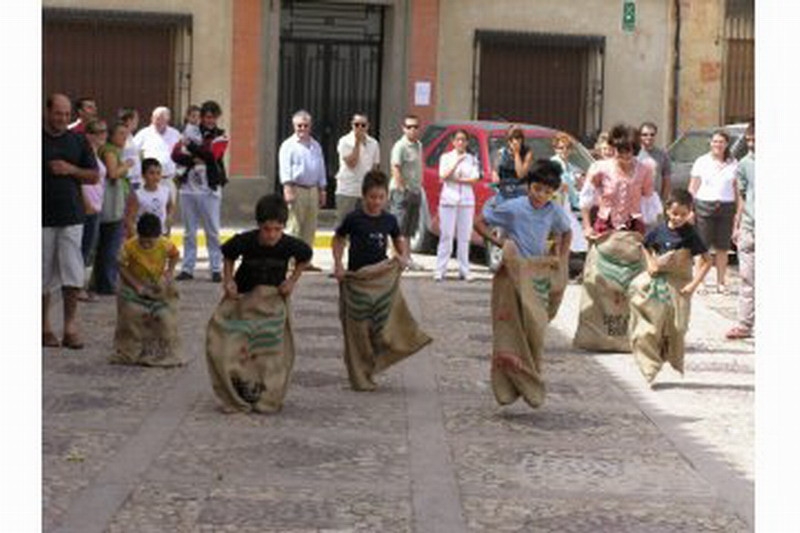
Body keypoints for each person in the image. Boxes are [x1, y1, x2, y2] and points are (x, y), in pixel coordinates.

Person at [473, 159, 571, 409]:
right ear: (529, 186)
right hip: (511, 275)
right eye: (538, 189)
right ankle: (507, 386)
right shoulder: (514, 208)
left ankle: (529, 380)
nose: (542, 196)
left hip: (536, 276)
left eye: (548, 192)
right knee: (509, 331)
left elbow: (566, 231)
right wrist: (500, 244)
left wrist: (561, 257)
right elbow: (479, 222)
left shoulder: (554, 210)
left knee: (534, 331)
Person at [206, 195, 312, 413]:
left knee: (268, 352)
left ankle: (266, 394)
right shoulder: (246, 241)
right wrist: (229, 281)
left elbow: (305, 257)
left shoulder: (289, 245)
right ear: (258, 225)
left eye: (277, 229)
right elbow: (228, 254)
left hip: (272, 306)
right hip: (244, 301)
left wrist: (292, 280)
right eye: (266, 229)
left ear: (283, 227)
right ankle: (236, 392)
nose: (271, 235)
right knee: (232, 349)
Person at [332, 170, 431, 391]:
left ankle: (374, 364)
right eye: (372, 197)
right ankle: (360, 375)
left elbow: (398, 239)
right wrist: (338, 264)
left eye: (380, 197)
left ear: (386, 197)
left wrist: (403, 257)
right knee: (358, 331)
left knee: (381, 327)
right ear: (364, 196)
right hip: (357, 280)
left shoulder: (389, 220)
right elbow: (338, 239)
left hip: (381, 279)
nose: (376, 202)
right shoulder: (353, 218)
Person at [630, 189, 713, 383]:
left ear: (690, 212)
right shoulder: (659, 230)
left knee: (679, 328)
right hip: (658, 283)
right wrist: (650, 263)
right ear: (668, 210)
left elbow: (707, 260)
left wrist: (693, 285)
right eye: (675, 214)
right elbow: (645, 245)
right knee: (651, 326)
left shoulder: (691, 234)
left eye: (684, 215)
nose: (678, 218)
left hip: (681, 285)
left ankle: (668, 354)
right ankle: (649, 366)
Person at [43, 93, 100, 349]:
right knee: (41, 273)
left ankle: (70, 327)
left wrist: (71, 169)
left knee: (72, 272)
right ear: (48, 111)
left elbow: (93, 176)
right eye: (58, 113)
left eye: (67, 114)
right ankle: (44, 327)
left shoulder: (77, 141)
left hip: (71, 216)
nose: (63, 118)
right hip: (40, 219)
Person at [113, 212, 182, 367]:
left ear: (158, 237)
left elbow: (175, 255)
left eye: (150, 243)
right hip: (133, 284)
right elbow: (120, 266)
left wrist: (168, 273)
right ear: (138, 235)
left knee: (164, 317)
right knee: (132, 314)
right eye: (143, 242)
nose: (146, 246)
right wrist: (136, 285)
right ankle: (129, 352)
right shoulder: (129, 246)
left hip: (157, 285)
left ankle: (162, 353)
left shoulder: (165, 244)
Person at [172, 100, 229, 282]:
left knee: (212, 230)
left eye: (213, 117)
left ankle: (215, 268)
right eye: (206, 117)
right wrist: (193, 159)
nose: (210, 120)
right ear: (202, 117)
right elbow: (175, 155)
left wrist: (191, 148)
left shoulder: (221, 136)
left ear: (217, 117)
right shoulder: (188, 131)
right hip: (188, 188)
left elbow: (212, 156)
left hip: (209, 188)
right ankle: (187, 268)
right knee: (189, 231)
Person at [581, 124, 655, 239]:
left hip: (634, 227)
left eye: (628, 151)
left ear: (634, 149)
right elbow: (586, 198)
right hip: (605, 225)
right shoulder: (600, 168)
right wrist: (587, 227)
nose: (624, 155)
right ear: (613, 148)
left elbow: (648, 200)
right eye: (620, 151)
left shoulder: (645, 170)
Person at [688, 130, 739, 294]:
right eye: (715, 141)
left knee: (723, 248)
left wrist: (738, 211)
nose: (718, 145)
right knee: (703, 247)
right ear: (710, 143)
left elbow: (736, 189)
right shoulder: (701, 161)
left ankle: (721, 282)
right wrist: (690, 209)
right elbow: (693, 187)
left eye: (721, 142)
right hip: (704, 206)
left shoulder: (733, 162)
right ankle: (700, 282)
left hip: (726, 206)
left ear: (726, 144)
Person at [278, 109, 327, 271]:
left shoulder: (316, 145)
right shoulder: (288, 145)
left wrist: (322, 189)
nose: (302, 129)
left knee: (310, 227)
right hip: (296, 188)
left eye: (305, 125)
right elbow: (285, 168)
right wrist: (287, 187)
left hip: (313, 189)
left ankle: (305, 261)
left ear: (310, 127)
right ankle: (291, 261)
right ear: (294, 126)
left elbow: (320, 168)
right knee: (294, 226)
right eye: (299, 125)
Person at [91, 122, 133, 295]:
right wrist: (127, 165)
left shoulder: (113, 150)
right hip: (111, 204)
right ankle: (107, 283)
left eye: (126, 134)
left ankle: (102, 281)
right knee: (110, 245)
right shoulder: (110, 150)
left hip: (114, 202)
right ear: (112, 135)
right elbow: (113, 173)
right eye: (121, 134)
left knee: (108, 244)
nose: (124, 138)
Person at [434, 129, 480, 282]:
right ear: (453, 142)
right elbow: (443, 176)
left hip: (466, 201)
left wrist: (458, 180)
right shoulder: (446, 157)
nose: (461, 143)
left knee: (464, 237)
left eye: (463, 140)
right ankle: (440, 270)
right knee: (446, 235)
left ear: (467, 142)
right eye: (458, 140)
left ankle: (464, 269)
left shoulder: (472, 159)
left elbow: (474, 179)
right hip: (449, 199)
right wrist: (456, 163)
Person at [726, 122, 755, 339]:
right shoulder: (744, 164)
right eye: (749, 141)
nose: (751, 145)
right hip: (749, 228)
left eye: (755, 140)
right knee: (747, 277)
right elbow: (742, 198)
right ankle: (745, 323)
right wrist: (736, 225)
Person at [389, 114, 425, 271]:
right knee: (398, 227)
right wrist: (402, 188)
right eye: (409, 127)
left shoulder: (419, 145)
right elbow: (395, 167)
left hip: (415, 191)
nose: (413, 130)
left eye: (416, 127)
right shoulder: (400, 146)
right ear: (403, 129)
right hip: (401, 192)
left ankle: (407, 258)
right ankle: (396, 258)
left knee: (409, 229)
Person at [78, 119, 109, 302]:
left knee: (89, 249)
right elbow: (81, 181)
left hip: (96, 206)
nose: (103, 135)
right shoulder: (84, 155)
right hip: (88, 207)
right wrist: (86, 203)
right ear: (89, 135)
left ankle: (83, 286)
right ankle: (79, 287)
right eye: (99, 132)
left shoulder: (96, 154)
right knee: (84, 248)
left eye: (105, 131)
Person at [334, 113, 380, 226]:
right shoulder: (344, 141)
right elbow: (352, 163)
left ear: (368, 126)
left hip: (364, 192)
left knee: (364, 225)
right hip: (347, 190)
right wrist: (357, 142)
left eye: (363, 125)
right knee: (344, 226)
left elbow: (374, 168)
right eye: (356, 125)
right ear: (352, 125)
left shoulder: (374, 143)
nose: (360, 128)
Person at [133, 106, 182, 207]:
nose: (157, 121)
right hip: (148, 181)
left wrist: (179, 173)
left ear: (167, 119)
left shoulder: (175, 134)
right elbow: (133, 152)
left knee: (169, 211)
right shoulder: (144, 133)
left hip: (168, 179)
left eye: (161, 118)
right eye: (155, 118)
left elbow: (182, 154)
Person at [550, 132, 587, 256]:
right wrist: (560, 185)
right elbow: (549, 183)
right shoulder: (553, 163)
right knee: (562, 235)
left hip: (569, 203)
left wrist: (579, 182)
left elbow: (577, 185)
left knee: (568, 236)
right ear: (555, 149)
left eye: (567, 147)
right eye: (560, 147)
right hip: (558, 203)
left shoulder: (570, 166)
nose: (564, 150)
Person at [125, 158, 174, 238]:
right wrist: (134, 236)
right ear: (143, 175)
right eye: (151, 173)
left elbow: (170, 207)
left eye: (158, 173)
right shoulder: (137, 194)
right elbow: (130, 218)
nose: (155, 176)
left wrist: (168, 226)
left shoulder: (166, 191)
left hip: (161, 234)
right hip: (143, 236)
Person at [491, 125, 533, 203]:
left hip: (519, 191)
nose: (515, 141)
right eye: (512, 138)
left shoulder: (527, 152)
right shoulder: (501, 152)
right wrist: (495, 174)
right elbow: (495, 170)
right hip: (504, 191)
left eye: (518, 137)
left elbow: (521, 174)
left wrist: (516, 153)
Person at [638, 121, 672, 203]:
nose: (649, 137)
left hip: (655, 198)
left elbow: (666, 179)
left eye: (652, 134)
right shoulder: (634, 153)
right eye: (645, 135)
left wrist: (663, 200)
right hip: (637, 197)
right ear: (640, 136)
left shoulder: (662, 155)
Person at [118, 107, 142, 191]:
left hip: (136, 180)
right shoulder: (120, 136)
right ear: (129, 120)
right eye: (136, 118)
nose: (137, 121)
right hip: (127, 180)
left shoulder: (131, 136)